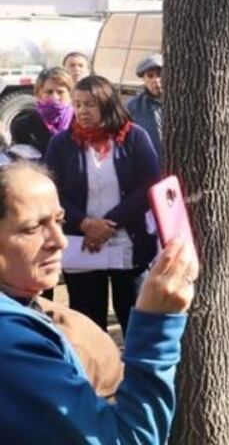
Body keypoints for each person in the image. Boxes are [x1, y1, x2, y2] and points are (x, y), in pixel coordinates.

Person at [0, 161, 197, 443]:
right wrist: (156, 327)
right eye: (33, 228)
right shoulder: (11, 342)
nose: (60, 241)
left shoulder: (24, 309)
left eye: (59, 221)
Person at [45, 75, 160, 335]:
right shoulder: (61, 143)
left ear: (107, 104)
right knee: (88, 324)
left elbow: (149, 185)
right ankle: (96, 375)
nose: (82, 111)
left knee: (136, 321)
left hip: (128, 243)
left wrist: (109, 224)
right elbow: (52, 189)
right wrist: (85, 224)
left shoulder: (134, 137)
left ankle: (137, 375)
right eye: (77, 104)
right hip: (81, 244)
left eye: (90, 104)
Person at [10, 66, 74, 160]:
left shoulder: (80, 123)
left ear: (70, 94)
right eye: (49, 92)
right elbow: (19, 163)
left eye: (60, 92)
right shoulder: (22, 125)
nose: (55, 98)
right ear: (38, 94)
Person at [126, 53, 164, 158]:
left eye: (159, 74)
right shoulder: (132, 106)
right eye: (150, 76)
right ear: (144, 79)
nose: (155, 80)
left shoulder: (181, 102)